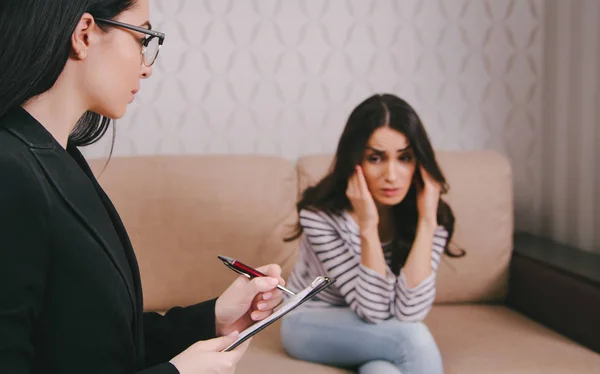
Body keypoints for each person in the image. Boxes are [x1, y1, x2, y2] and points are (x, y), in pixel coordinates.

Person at [0, 1, 286, 373]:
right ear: (84, 34)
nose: (147, 67)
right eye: (143, 38)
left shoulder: (60, 156)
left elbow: (97, 342)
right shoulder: (10, 170)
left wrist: (213, 317)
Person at [280, 93, 465, 373]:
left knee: (381, 370)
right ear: (355, 161)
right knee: (413, 339)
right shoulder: (320, 216)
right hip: (309, 323)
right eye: (376, 158)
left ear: (419, 164)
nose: (391, 174)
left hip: (378, 332)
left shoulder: (431, 216)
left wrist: (427, 223)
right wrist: (368, 227)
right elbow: (375, 311)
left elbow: (410, 312)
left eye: (405, 158)